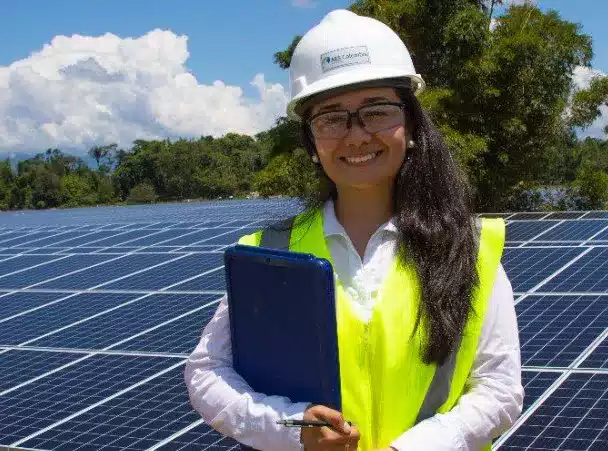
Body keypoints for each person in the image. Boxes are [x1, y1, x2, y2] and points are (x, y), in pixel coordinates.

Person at [185, 8, 523, 451]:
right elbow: (206, 372)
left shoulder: (470, 249)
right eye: (331, 118)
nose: (357, 135)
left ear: (412, 123)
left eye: (377, 111)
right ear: (310, 140)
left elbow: (499, 388)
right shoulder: (269, 254)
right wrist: (291, 428)